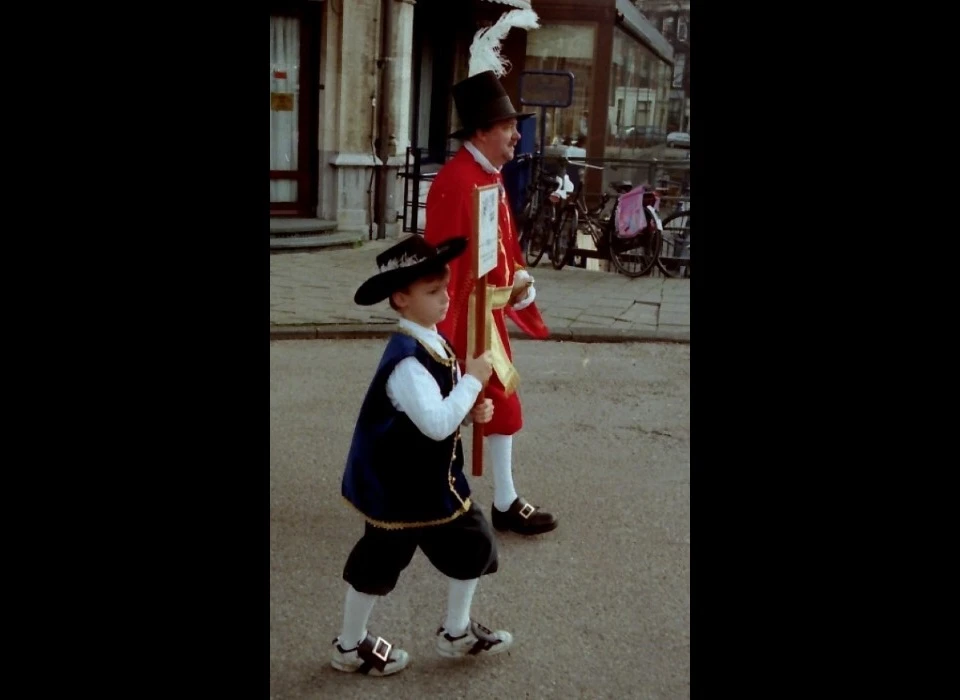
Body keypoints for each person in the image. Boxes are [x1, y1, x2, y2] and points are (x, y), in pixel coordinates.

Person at [331, 234, 514, 677]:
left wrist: (470, 411)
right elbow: (434, 423)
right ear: (401, 299)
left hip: (432, 483)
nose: (445, 299)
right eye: (432, 292)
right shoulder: (408, 361)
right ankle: (350, 646)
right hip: (400, 489)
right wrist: (472, 383)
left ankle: (456, 632)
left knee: (473, 543)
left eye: (445, 288)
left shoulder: (433, 341)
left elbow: (443, 411)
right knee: (378, 562)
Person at [423, 68, 559, 537]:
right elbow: (441, 265)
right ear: (482, 132)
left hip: (486, 313)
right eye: (507, 127)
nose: (516, 135)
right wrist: (439, 335)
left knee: (499, 403)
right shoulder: (456, 181)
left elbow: (500, 243)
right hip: (461, 317)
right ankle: (441, 497)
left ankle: (502, 499)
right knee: (452, 407)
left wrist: (517, 277)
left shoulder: (487, 175)